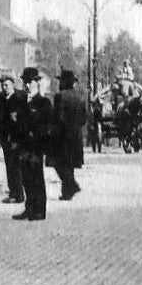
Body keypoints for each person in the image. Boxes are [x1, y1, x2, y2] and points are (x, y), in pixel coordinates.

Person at [14, 67, 52, 221]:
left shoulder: (43, 102)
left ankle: (39, 210)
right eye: (25, 82)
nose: (27, 85)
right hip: (24, 145)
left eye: (30, 82)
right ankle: (29, 207)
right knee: (26, 177)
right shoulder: (23, 101)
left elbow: (46, 125)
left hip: (36, 146)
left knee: (37, 176)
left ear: (37, 82)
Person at [49, 70, 86, 200]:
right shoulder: (78, 98)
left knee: (58, 163)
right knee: (69, 165)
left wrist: (53, 131)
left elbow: (58, 117)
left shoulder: (60, 96)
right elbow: (84, 119)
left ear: (63, 82)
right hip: (76, 136)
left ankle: (72, 185)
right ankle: (67, 192)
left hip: (63, 136)